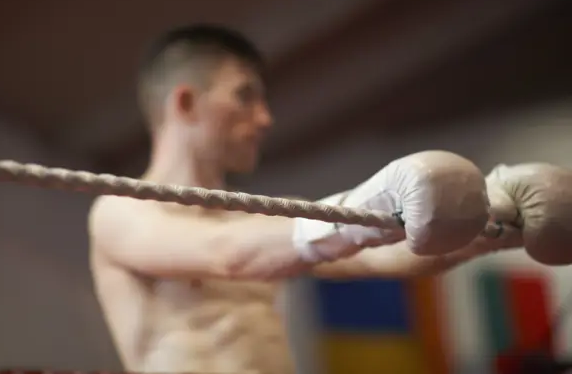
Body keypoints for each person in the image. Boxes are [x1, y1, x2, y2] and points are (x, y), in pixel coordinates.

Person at [88, 24, 565, 374]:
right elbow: (224, 254)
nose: (265, 117)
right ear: (185, 103)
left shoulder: (268, 219)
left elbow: (383, 260)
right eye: (245, 96)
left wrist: (498, 220)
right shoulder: (119, 211)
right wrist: (359, 216)